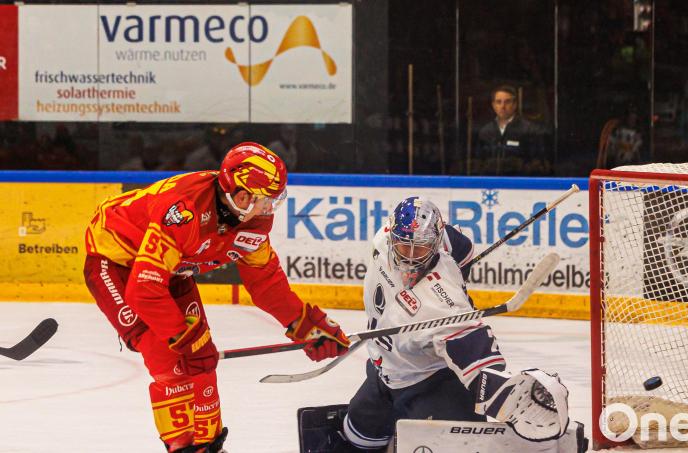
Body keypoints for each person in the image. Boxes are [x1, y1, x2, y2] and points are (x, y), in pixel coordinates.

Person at [83, 142, 350, 452]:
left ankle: (209, 445)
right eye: (268, 201)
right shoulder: (184, 211)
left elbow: (266, 283)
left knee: (203, 362)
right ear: (242, 196)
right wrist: (185, 338)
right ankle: (182, 447)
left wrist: (307, 325)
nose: (271, 209)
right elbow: (144, 290)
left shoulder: (255, 220)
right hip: (117, 262)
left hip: (172, 271)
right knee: (169, 360)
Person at [336, 197, 569, 452]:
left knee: (446, 444)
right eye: (404, 247)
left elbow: (477, 356)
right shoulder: (383, 240)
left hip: (429, 381)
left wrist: (505, 393)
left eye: (421, 249)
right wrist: (459, 271)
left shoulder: (444, 304)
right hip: (385, 369)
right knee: (356, 434)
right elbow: (462, 245)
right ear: (392, 236)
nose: (412, 258)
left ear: (434, 245)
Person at [474, 85, 550, 176]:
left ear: (515, 104)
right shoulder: (485, 131)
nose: (503, 106)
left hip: (520, 184)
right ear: (493, 105)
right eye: (498, 102)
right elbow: (478, 163)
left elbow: (538, 164)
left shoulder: (529, 130)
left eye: (507, 102)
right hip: (491, 183)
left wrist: (517, 165)